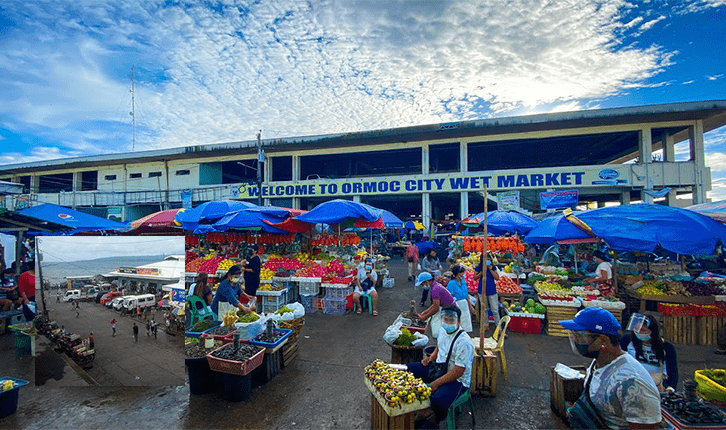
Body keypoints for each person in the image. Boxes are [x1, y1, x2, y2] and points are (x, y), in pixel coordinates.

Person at [560, 307, 662, 429]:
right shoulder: (599, 362)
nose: (574, 340)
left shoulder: (631, 381)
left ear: (603, 340)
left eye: (579, 335)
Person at [407, 305, 475, 427]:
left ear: (459, 321)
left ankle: (433, 417)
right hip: (440, 368)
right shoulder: (443, 330)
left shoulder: (464, 343)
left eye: (451, 320)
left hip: (458, 380)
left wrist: (437, 383)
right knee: (411, 369)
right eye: (445, 319)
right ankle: (419, 409)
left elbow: (458, 371)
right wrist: (431, 357)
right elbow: (440, 345)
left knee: (438, 400)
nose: (447, 322)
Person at [620, 313, 678, 391]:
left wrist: (670, 388)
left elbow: (672, 371)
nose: (639, 332)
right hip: (632, 383)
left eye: (643, 330)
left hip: (656, 385)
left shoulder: (667, 348)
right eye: (637, 329)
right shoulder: (627, 341)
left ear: (652, 331)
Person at [416, 272, 456, 339]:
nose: (422, 286)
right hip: (448, 308)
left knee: (446, 333)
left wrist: (425, 317)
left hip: (450, 310)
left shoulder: (435, 289)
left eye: (422, 284)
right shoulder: (435, 285)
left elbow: (436, 308)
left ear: (426, 282)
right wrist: (424, 312)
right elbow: (434, 305)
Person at [473, 256, 501, 332]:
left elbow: (497, 278)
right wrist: (482, 271)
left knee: (495, 309)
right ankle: (485, 325)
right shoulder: (479, 267)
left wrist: (490, 269)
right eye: (486, 259)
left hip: (492, 290)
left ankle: (499, 328)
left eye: (489, 259)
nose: (487, 260)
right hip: (482, 290)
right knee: (484, 309)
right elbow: (475, 277)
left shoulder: (493, 267)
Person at [446, 265, 475, 332]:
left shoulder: (463, 282)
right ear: (458, 274)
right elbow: (449, 297)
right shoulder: (451, 284)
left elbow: (466, 295)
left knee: (465, 321)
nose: (463, 275)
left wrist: (470, 307)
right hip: (456, 305)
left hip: (464, 305)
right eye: (462, 273)